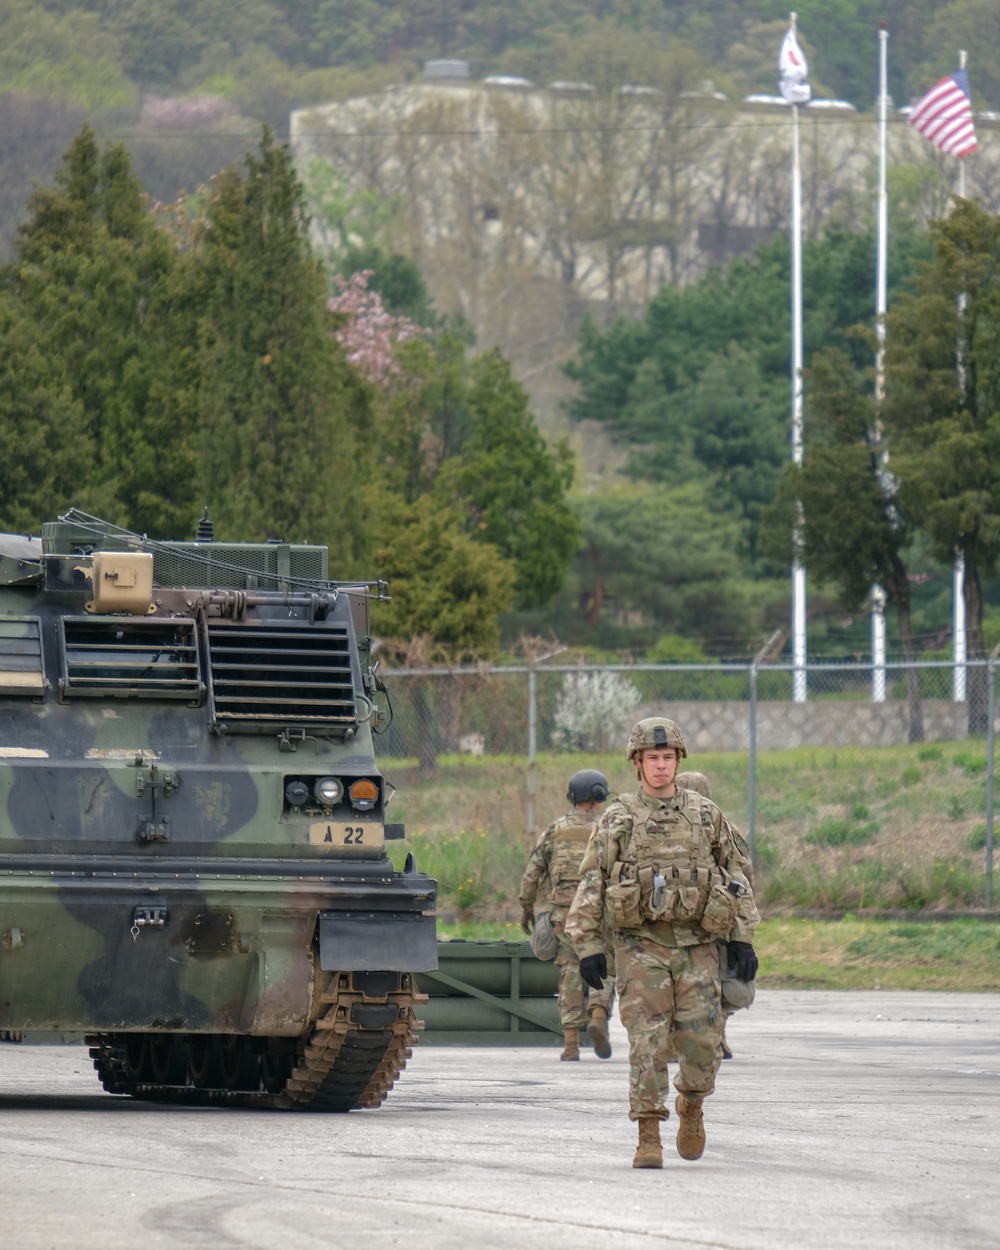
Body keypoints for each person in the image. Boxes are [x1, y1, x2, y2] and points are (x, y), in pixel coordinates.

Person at [566, 718, 758, 1168]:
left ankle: (691, 1103)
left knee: (701, 1044)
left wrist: (742, 938)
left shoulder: (707, 815)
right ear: (637, 763)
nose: (660, 766)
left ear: (678, 761)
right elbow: (592, 881)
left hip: (699, 946)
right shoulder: (618, 817)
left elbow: (737, 878)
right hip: (641, 947)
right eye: (652, 758)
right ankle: (647, 1134)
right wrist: (589, 945)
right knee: (647, 1045)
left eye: (668, 758)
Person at [519, 769, 617, 1061]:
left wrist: (526, 907)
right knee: (607, 968)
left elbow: (533, 870)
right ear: (599, 796)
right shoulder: (609, 828)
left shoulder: (555, 829)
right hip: (602, 913)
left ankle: (571, 1045)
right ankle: (598, 1017)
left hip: (564, 915)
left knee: (570, 973)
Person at [676, 771, 757, 1061]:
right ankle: (716, 1035)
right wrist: (742, 931)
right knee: (721, 981)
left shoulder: (666, 824)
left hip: (684, 918)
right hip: (719, 915)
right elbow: (744, 880)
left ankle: (694, 1037)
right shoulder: (727, 829)